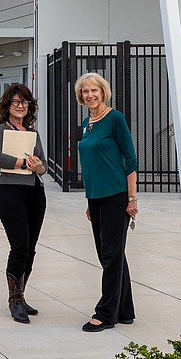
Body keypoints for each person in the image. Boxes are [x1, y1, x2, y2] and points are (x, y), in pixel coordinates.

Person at [75, 72, 138, 333]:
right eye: (85, 92)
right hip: (96, 197)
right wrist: (90, 200)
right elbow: (91, 165)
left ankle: (106, 313)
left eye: (94, 90)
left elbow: (130, 159)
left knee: (111, 255)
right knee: (111, 254)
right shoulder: (87, 123)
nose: (90, 95)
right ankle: (125, 311)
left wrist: (132, 198)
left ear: (103, 92)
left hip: (115, 195)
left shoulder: (114, 118)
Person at [0, 83, 47, 324]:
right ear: (7, 106)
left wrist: (37, 167)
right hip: (10, 193)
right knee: (19, 246)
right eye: (16, 102)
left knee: (31, 248)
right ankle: (14, 300)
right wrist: (24, 164)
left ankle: (21, 296)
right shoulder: (1, 130)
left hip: (35, 193)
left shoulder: (32, 133)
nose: (20, 106)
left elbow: (43, 165)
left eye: (24, 102)